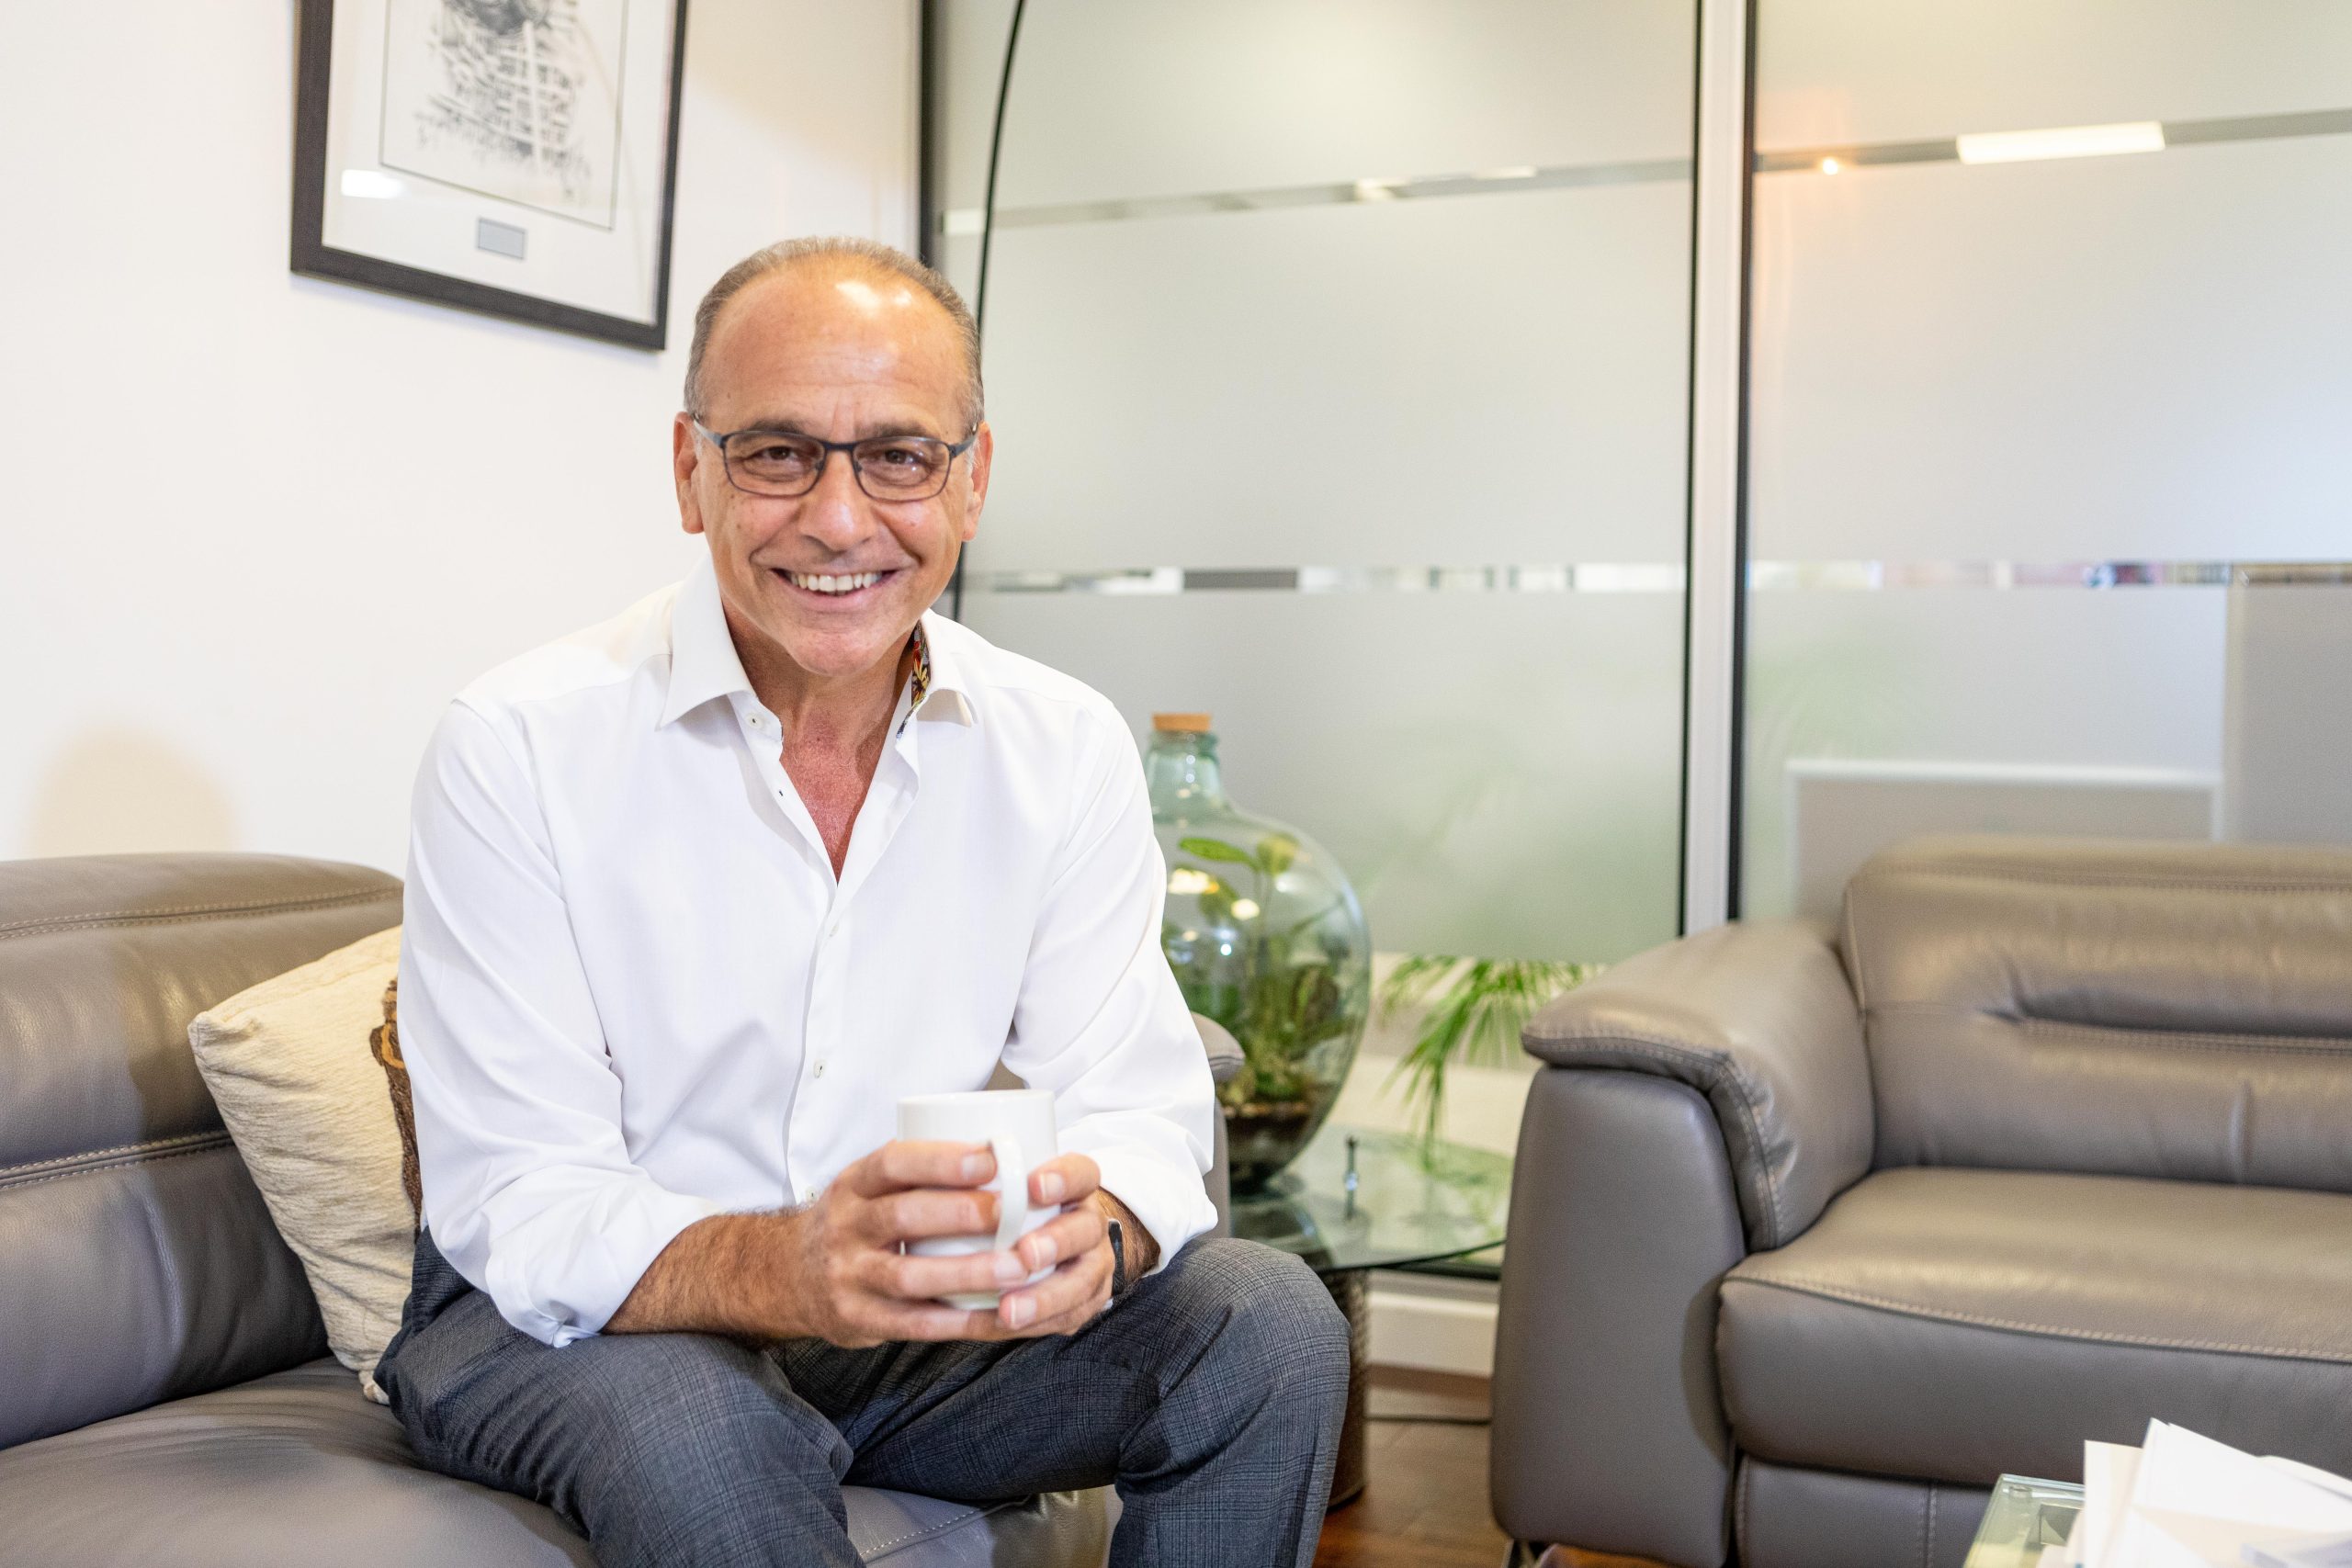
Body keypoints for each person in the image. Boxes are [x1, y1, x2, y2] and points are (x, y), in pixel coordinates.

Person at [375, 236, 1351, 1568]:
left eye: (898, 456)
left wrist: (1105, 1235)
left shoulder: (1059, 744)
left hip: (894, 1315)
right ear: (689, 471)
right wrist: (789, 1271)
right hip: (563, 1319)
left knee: (1266, 1323)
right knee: (705, 1428)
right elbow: (525, 1202)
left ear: (972, 479)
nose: (839, 520)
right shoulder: (518, 744)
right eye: (778, 453)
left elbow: (1137, 1099)